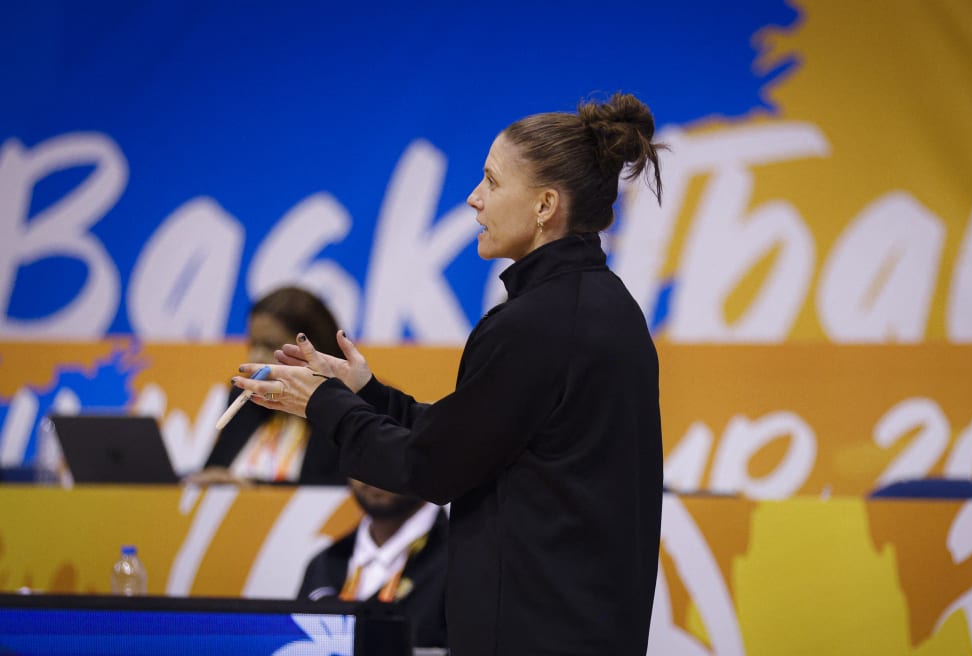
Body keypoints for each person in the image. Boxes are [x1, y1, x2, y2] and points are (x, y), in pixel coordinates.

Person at [234, 93, 665, 655]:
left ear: (544, 205)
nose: (474, 199)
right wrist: (365, 392)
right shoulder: (608, 308)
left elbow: (431, 469)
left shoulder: (535, 323)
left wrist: (323, 404)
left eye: (491, 181)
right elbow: (474, 440)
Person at [185, 286, 345, 486]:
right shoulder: (246, 399)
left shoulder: (348, 408)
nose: (256, 358)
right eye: (253, 345)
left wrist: (253, 493)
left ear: (314, 349)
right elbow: (215, 471)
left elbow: (336, 492)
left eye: (270, 346)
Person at [298, 478, 448, 649]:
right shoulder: (322, 564)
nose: (372, 471)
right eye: (361, 452)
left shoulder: (462, 563)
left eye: (389, 453)